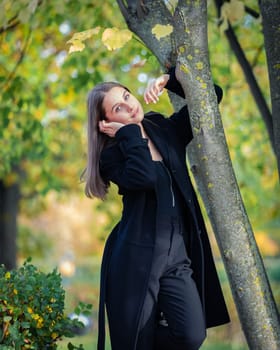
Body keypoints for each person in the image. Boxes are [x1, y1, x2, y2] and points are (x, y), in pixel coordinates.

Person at [84, 66, 230, 350]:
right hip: (137, 260)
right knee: (135, 342)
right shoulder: (112, 155)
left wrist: (171, 80)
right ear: (105, 122)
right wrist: (128, 133)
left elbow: (212, 95)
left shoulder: (163, 128)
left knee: (191, 335)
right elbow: (145, 176)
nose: (129, 105)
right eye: (118, 107)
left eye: (127, 95)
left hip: (177, 257)